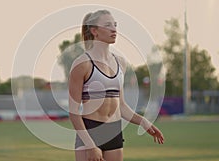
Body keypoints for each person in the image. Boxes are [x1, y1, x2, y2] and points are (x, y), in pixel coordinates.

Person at [69, 9, 164, 161]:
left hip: (114, 131)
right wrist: (91, 145)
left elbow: (122, 106)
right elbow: (73, 112)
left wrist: (143, 122)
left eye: (115, 25)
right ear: (94, 31)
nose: (114, 29)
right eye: (108, 25)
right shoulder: (82, 64)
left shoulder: (121, 63)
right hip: (90, 131)